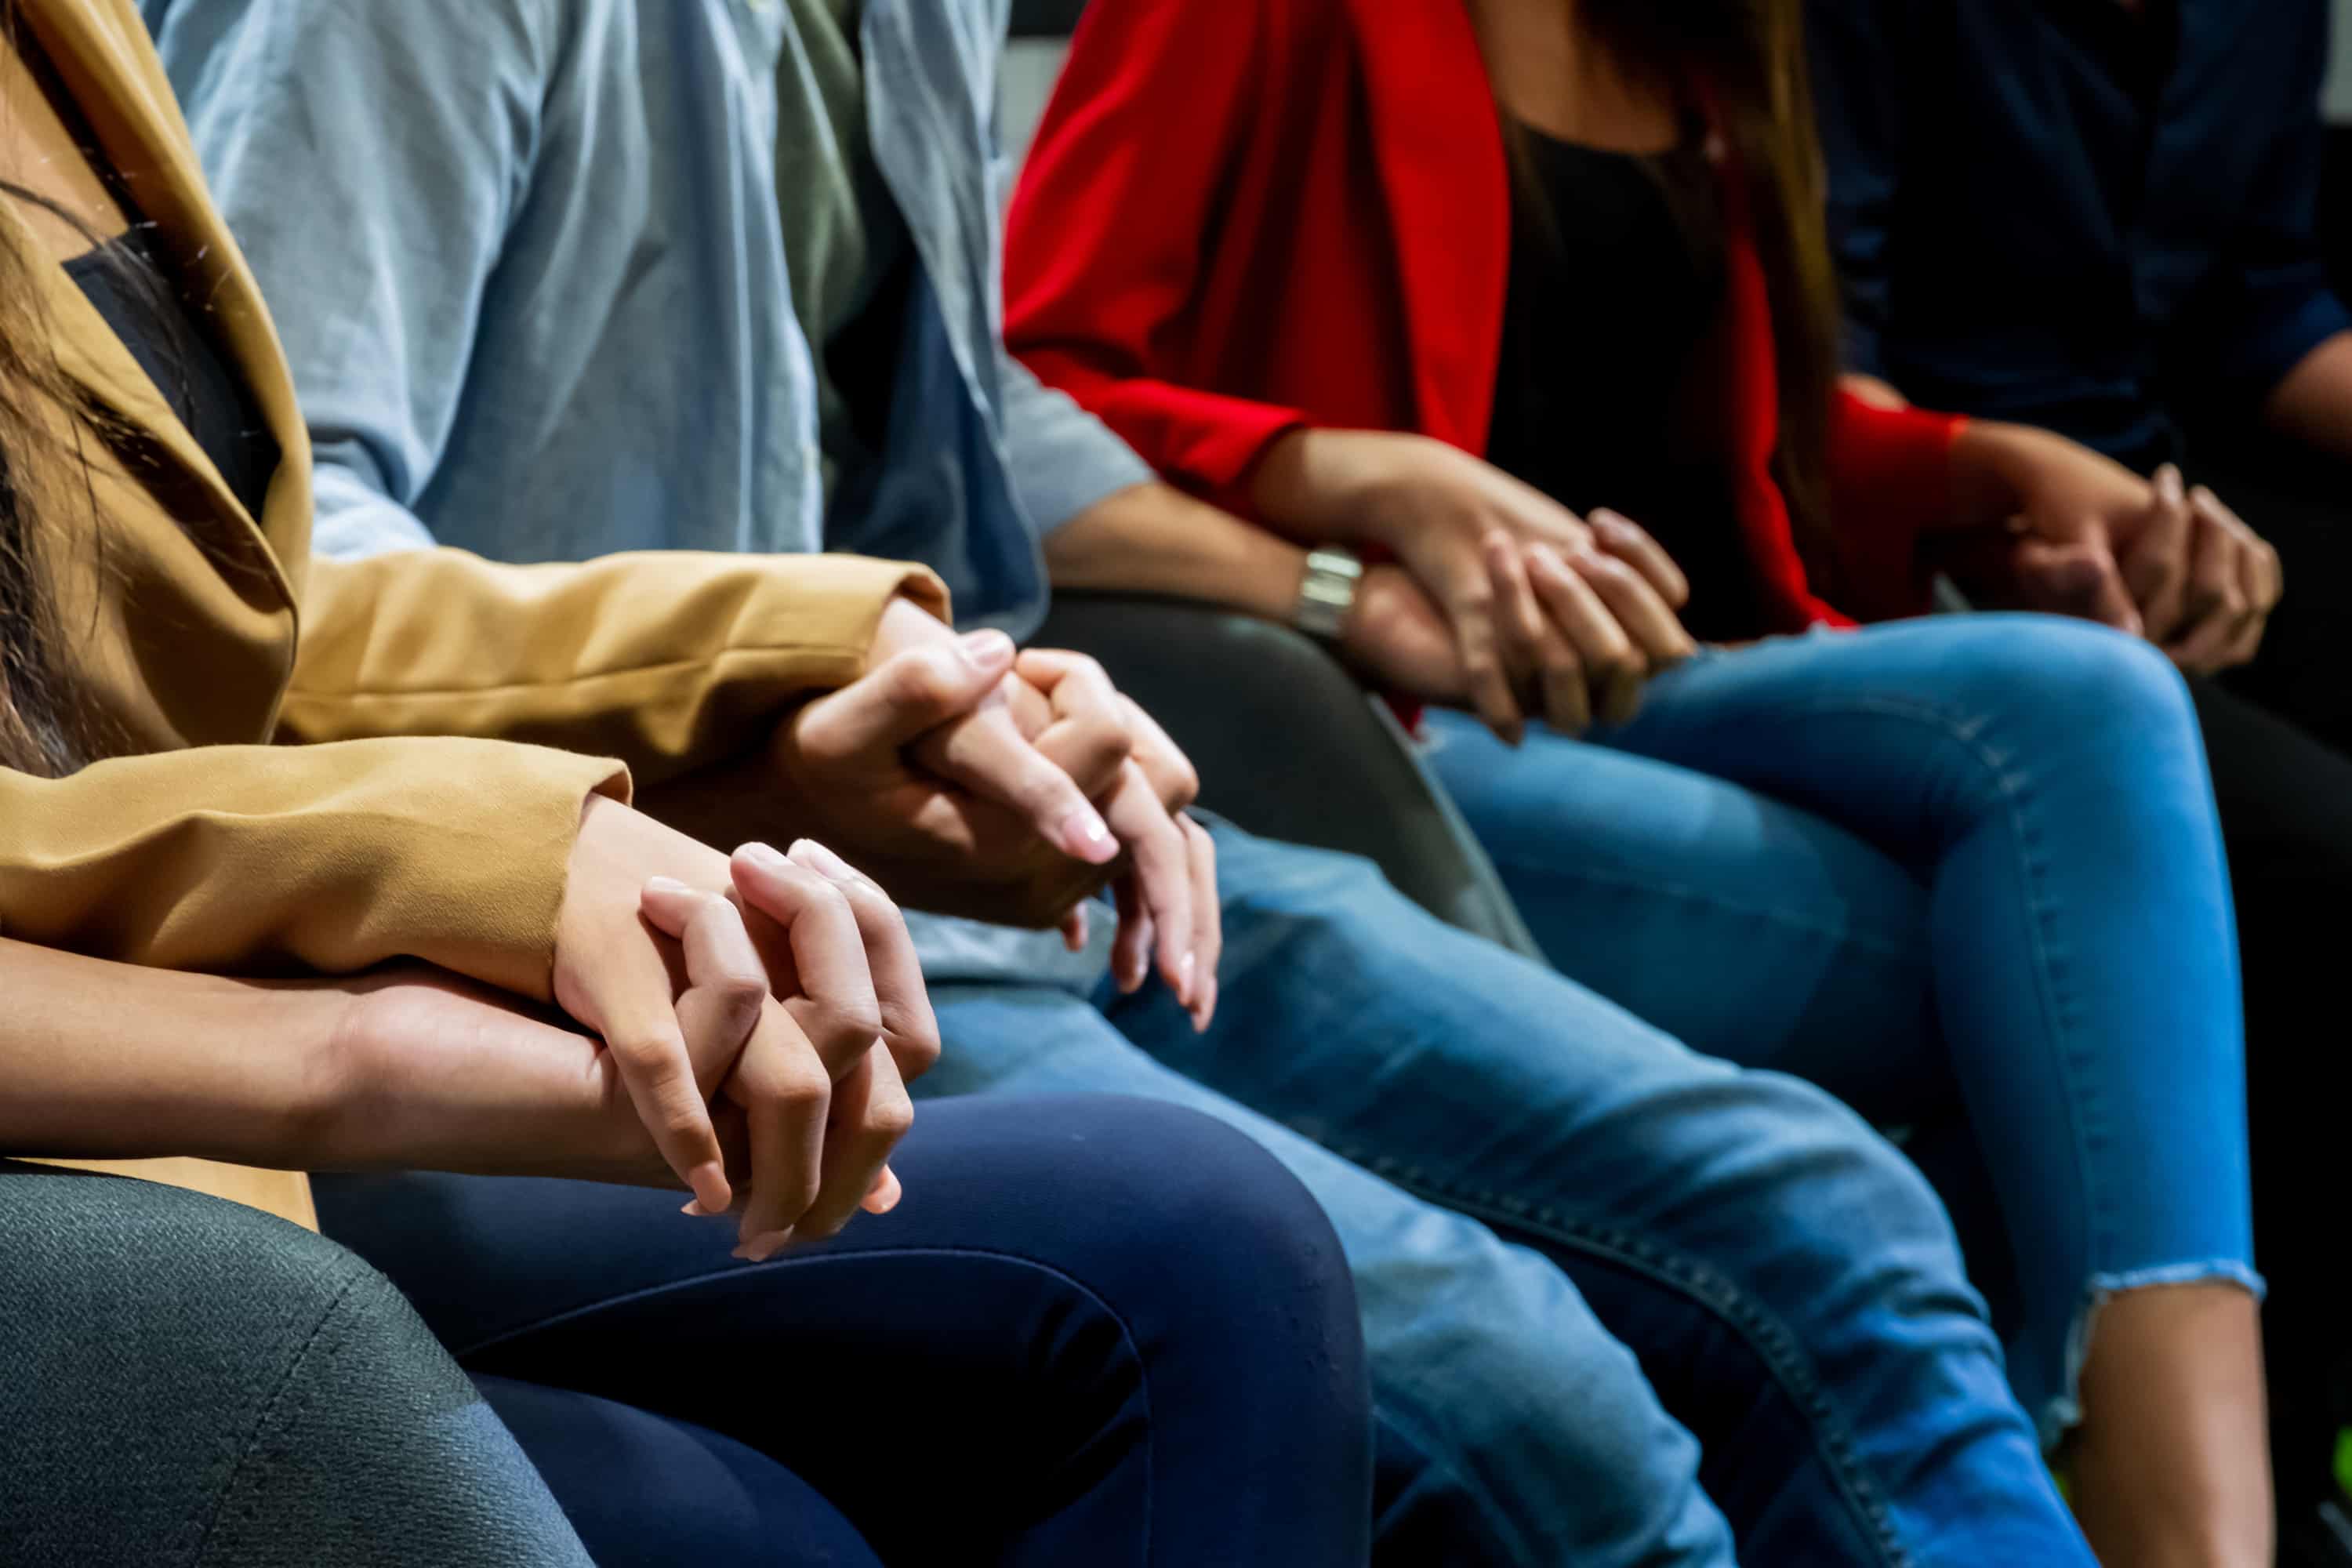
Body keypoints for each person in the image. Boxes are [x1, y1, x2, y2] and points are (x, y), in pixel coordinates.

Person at [152, 0, 2114, 1560]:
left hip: (974, 824)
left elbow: (961, 386)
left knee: (1826, 1205)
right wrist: (809, 661)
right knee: (1545, 1404)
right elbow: (263, 559)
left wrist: (1328, 528)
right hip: (692, 908)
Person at [0, 3, 1375, 1563]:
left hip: (638, 910)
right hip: (171, 1083)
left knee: (1209, 1242)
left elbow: (226, 604)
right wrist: (453, 894)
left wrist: (831, 669)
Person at [1001, 1, 2270, 1563]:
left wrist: (1971, 471)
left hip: (1660, 683)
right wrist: (1346, 490)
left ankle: (2196, 1535)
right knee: (2082, 981)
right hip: (1363, 710)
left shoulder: (1712, 30)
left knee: (2096, 702)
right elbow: (1018, 391)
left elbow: (1713, 462)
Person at [1809, 0, 2352, 764]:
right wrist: (1998, 511)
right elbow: (1820, 354)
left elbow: (2260, 305)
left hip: (2151, 479)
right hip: (1940, 513)